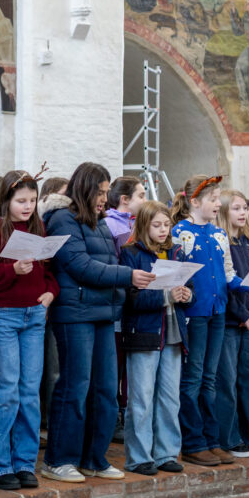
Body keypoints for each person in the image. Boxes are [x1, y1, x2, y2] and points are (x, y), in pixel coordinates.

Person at [41, 162, 154, 483]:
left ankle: (94, 458)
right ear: (85, 189)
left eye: (107, 192)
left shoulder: (99, 222)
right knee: (75, 387)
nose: (105, 198)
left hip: (104, 313)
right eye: (101, 192)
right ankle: (58, 459)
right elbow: (81, 266)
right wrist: (128, 275)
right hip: (74, 315)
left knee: (105, 389)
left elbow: (109, 261)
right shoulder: (63, 219)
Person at [171, 175, 249, 467]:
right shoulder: (180, 233)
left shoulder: (218, 234)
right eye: (213, 199)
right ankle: (193, 441)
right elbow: (177, 274)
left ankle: (212, 440)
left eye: (218, 198)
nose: (217, 204)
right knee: (193, 379)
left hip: (218, 312)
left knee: (210, 379)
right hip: (195, 314)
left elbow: (227, 274)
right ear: (194, 202)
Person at [0, 170, 58, 490]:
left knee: (28, 392)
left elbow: (49, 270)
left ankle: (24, 463)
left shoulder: (38, 227)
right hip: (4, 317)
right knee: (4, 390)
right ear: (6, 201)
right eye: (21, 201)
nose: (27, 206)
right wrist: (12, 270)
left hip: (35, 316)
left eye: (32, 201)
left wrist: (51, 292)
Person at [120, 200, 192, 475]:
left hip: (173, 334)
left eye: (167, 224)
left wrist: (187, 295)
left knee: (169, 398)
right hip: (145, 334)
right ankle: (139, 457)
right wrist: (166, 296)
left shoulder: (176, 252)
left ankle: (166, 453)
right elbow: (131, 298)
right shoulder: (131, 253)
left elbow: (188, 286)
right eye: (157, 225)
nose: (163, 230)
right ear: (143, 225)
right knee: (141, 398)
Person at [214, 190, 249, 458]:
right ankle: (230, 437)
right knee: (227, 381)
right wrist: (242, 314)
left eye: (244, 207)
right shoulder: (220, 242)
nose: (242, 212)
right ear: (224, 211)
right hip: (229, 321)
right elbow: (224, 286)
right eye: (236, 207)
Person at [104, 176, 146, 444]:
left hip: (137, 307)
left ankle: (128, 412)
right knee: (115, 367)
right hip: (118, 307)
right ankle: (116, 416)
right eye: (141, 195)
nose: (145, 199)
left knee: (131, 367)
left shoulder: (136, 224)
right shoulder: (111, 227)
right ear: (124, 200)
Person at [37, 177, 70, 431]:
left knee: (55, 368)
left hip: (55, 299)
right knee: (47, 371)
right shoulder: (47, 223)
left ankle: (50, 420)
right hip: (40, 305)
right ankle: (45, 421)